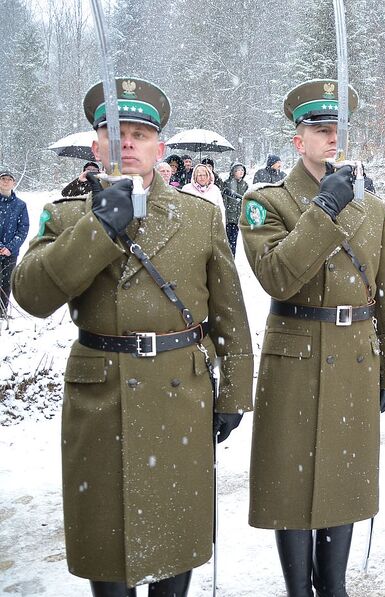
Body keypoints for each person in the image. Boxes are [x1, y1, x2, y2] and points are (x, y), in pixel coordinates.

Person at [11, 77, 253, 597]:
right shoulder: (67, 214)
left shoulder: (200, 215)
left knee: (175, 539)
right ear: (96, 144)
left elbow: (230, 316)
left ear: (159, 148)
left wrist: (234, 392)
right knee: (106, 540)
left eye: (140, 133)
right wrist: (100, 226)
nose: (127, 142)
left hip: (179, 394)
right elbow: (31, 294)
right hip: (101, 398)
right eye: (114, 132)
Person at [242, 79, 385, 597]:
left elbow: (383, 294)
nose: (331, 137)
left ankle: (333, 587)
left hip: (355, 353)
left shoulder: (375, 210)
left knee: (344, 475)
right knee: (291, 476)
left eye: (339, 130)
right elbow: (277, 276)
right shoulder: (265, 201)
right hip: (294, 351)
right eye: (320, 129)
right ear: (298, 139)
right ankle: (298, 589)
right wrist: (324, 210)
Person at [0, 166, 28, 318]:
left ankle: (2, 311)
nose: (6, 182)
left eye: (9, 179)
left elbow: (23, 229)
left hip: (11, 252)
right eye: (3, 179)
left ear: (14, 183)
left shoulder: (20, 205)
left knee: (6, 282)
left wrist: (10, 247)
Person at [223, 163, 248, 255]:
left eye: (242, 170)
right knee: (228, 241)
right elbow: (224, 201)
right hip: (229, 217)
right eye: (238, 170)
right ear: (233, 172)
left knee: (234, 242)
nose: (241, 172)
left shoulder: (245, 185)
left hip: (239, 217)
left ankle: (232, 259)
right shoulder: (227, 183)